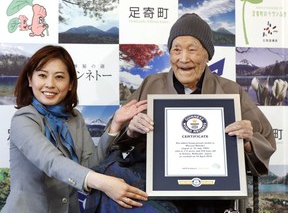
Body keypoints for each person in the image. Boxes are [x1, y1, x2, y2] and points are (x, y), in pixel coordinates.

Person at [85, 13, 276, 213]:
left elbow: (264, 140)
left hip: (210, 188)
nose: (183, 59)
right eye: (176, 50)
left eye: (192, 50)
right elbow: (117, 133)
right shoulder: (151, 84)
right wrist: (131, 130)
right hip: (152, 184)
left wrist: (246, 142)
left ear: (207, 54)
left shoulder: (230, 91)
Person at [1, 45, 149, 213]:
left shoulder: (74, 117)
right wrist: (103, 182)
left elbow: (90, 164)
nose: (50, 84)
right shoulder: (23, 118)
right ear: (30, 80)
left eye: (59, 77)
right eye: (42, 75)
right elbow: (51, 161)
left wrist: (115, 124)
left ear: (70, 84)